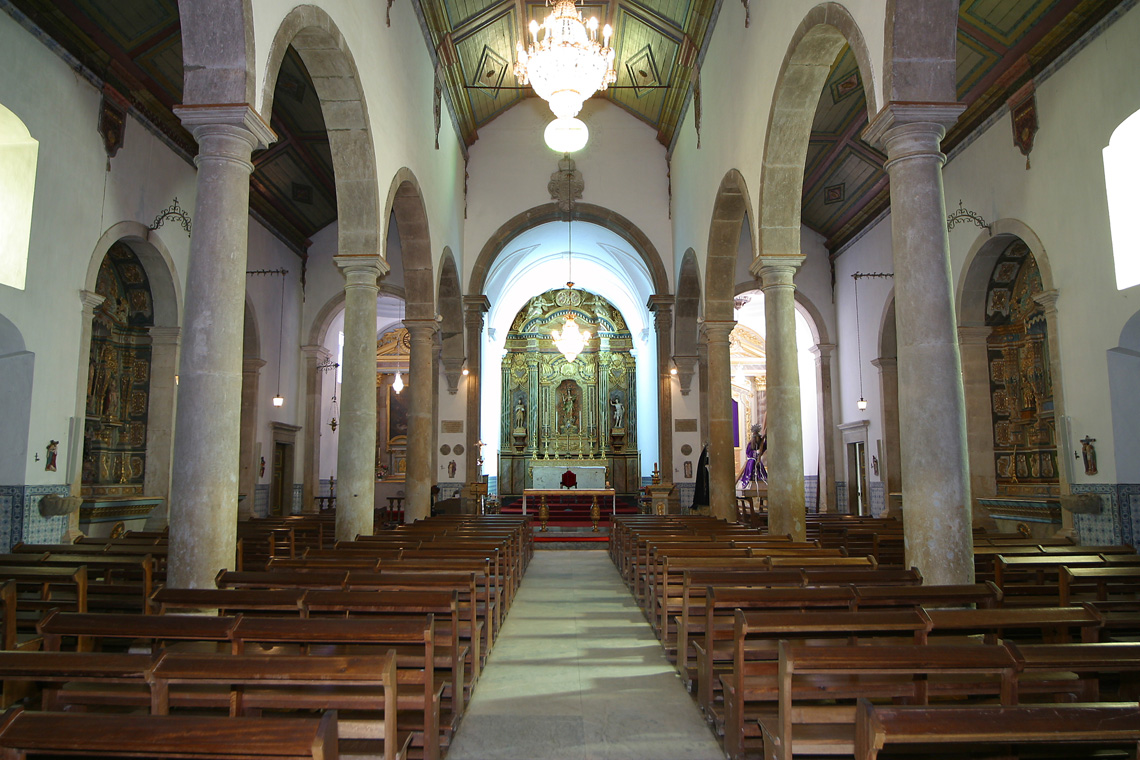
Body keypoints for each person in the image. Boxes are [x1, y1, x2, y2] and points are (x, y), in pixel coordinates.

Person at [738, 424, 767, 489]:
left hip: (758, 462)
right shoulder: (750, 444)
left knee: (760, 472)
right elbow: (748, 453)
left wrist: (766, 438)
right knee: (751, 466)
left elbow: (764, 447)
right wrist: (755, 453)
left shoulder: (760, 443)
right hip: (751, 462)